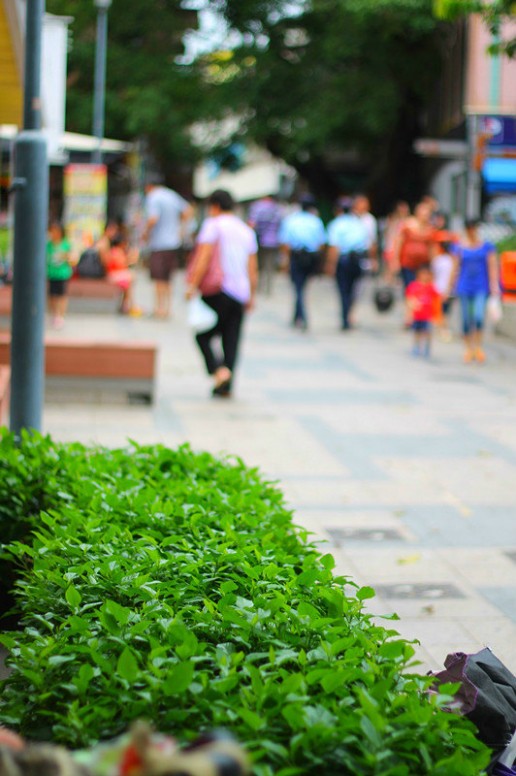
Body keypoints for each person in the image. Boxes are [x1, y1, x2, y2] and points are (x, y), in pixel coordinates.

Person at [185, 189, 258, 398]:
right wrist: (252, 295)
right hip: (240, 292)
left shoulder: (212, 226)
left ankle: (218, 370)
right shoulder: (246, 231)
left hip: (217, 290)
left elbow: (204, 257)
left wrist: (192, 285)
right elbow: (253, 269)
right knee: (232, 338)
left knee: (203, 335)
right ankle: (226, 385)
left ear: (215, 206)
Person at [448, 219, 499, 364]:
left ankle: (478, 347)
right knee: (465, 320)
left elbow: (492, 266)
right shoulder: (459, 247)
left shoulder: (487, 246)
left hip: (481, 286)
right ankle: (468, 348)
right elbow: (455, 268)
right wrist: (449, 286)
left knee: (478, 317)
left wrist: (494, 285)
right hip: (464, 286)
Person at [143, 174, 194, 319]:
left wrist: (145, 233)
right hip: (173, 243)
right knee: (168, 278)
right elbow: (188, 210)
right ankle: (167, 308)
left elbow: (153, 219)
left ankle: (159, 308)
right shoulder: (172, 195)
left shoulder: (153, 197)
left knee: (159, 278)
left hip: (159, 243)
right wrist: (181, 230)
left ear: (149, 187)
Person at [278, 193, 326, 330]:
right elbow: (321, 243)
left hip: (297, 256)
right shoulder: (315, 221)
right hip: (310, 257)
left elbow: (285, 243)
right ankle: (298, 315)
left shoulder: (291, 220)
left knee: (298, 287)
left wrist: (285, 260)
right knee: (301, 287)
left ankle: (301, 316)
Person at [326, 196, 370, 330]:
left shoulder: (336, 224)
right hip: (357, 260)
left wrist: (330, 264)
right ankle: (348, 315)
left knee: (343, 290)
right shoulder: (358, 223)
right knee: (353, 290)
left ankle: (345, 317)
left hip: (344, 260)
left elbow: (334, 247)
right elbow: (367, 244)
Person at [391, 200, 437, 290]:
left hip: (423, 264)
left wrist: (434, 263)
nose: (425, 216)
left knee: (422, 287)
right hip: (408, 263)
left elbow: (432, 247)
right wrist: (395, 259)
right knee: (410, 287)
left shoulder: (430, 229)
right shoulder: (408, 225)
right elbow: (399, 242)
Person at [96, 221, 138, 315]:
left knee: (129, 278)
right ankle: (128, 306)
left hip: (110, 272)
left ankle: (126, 305)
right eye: (112, 229)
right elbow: (106, 263)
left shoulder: (108, 242)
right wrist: (121, 258)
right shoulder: (104, 243)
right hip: (105, 274)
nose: (114, 232)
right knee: (130, 277)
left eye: (115, 230)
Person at [247, 195, 284, 295]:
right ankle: (268, 289)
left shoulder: (257, 207)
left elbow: (252, 223)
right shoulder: (277, 209)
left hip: (260, 241)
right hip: (273, 242)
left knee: (259, 265)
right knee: (270, 266)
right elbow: (281, 225)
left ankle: (258, 287)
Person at [405, 264, 440, 358]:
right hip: (417, 315)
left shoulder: (431, 287)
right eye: (423, 274)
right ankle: (416, 346)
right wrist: (409, 314)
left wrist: (437, 316)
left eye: (427, 274)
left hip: (428, 315)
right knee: (417, 331)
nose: (425, 276)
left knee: (427, 331)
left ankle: (427, 347)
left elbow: (437, 299)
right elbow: (409, 299)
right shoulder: (413, 286)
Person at [46, 221, 74, 329]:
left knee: (62, 295)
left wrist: (66, 257)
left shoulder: (66, 244)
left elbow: (72, 258)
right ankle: (54, 314)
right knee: (52, 295)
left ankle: (61, 316)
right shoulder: (48, 245)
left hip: (62, 274)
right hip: (51, 273)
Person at [431, 240, 455, 341]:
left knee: (440, 310)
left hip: (439, 288)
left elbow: (433, 275)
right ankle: (443, 329)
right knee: (446, 311)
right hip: (450, 289)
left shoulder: (437, 260)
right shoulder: (453, 261)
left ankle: (442, 329)